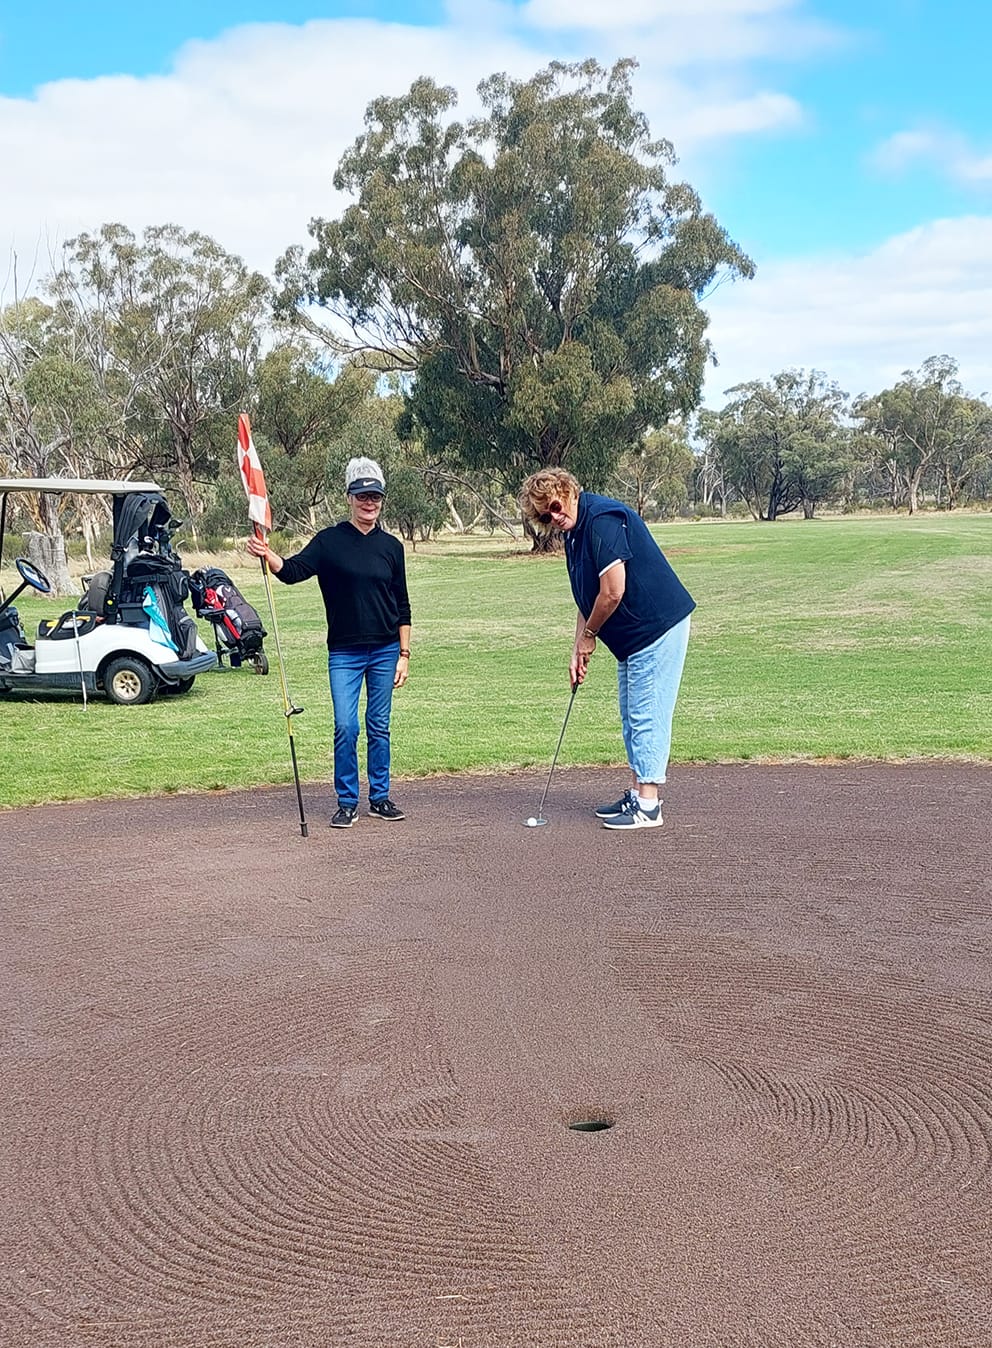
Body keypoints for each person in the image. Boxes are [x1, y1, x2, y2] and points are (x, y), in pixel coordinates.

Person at [519, 468, 695, 830]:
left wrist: (591, 636)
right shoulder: (573, 534)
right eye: (544, 516)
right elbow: (587, 596)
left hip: (656, 627)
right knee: (632, 715)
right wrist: (577, 647)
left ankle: (648, 806)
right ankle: (638, 792)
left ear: (568, 492)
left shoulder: (600, 519)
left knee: (647, 713)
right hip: (632, 637)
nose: (554, 516)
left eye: (555, 506)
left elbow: (613, 590)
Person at [247, 457, 411, 828]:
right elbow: (292, 572)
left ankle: (380, 797)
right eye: (362, 495)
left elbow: (402, 603)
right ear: (349, 497)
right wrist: (267, 553)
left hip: (385, 650)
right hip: (345, 653)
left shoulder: (391, 546)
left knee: (379, 725)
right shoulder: (329, 541)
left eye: (376, 496)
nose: (369, 503)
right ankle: (347, 800)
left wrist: (404, 654)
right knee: (346, 726)